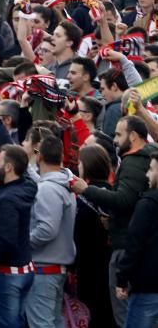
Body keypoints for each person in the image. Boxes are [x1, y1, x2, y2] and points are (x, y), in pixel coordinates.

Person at [72, 116, 156, 327]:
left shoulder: (134, 161)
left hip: (126, 250)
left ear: (134, 136)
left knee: (126, 317)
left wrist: (87, 190)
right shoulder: (139, 159)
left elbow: (125, 200)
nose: (115, 140)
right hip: (132, 250)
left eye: (119, 134)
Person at [24, 135, 76, 328]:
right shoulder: (61, 184)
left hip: (44, 270)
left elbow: (47, 229)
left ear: (40, 157)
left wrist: (23, 243)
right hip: (53, 268)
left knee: (42, 324)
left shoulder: (48, 189)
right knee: (53, 322)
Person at [0, 145, 37, 328]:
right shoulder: (27, 187)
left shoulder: (7, 199)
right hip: (25, 269)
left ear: (8, 167)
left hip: (7, 274)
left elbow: (7, 240)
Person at [74, 145, 116, 328]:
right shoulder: (115, 194)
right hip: (110, 263)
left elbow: (78, 234)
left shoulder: (84, 199)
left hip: (89, 265)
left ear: (86, 166)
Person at [116, 150, 158, 328]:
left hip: (148, 286)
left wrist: (122, 278)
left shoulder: (147, 204)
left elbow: (134, 244)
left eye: (151, 169)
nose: (147, 174)